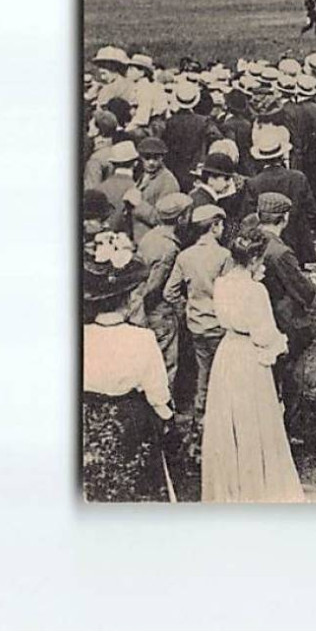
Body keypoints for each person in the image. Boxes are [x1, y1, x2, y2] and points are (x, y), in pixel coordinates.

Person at [200, 226, 304, 503]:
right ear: (256, 260)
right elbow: (264, 334)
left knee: (229, 418)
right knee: (252, 419)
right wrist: (281, 342)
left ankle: (231, 485)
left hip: (227, 351)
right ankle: (255, 486)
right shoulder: (255, 290)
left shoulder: (221, 283)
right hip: (248, 356)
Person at [82, 233, 173, 502]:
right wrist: (167, 417)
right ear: (128, 300)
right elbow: (158, 394)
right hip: (130, 423)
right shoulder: (141, 339)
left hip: (87, 420)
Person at [253, 193, 316, 441]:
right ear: (285, 218)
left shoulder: (250, 241)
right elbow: (305, 291)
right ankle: (289, 429)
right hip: (285, 322)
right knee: (291, 378)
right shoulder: (281, 252)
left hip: (260, 319)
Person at [163, 203, 233, 428]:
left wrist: (187, 308)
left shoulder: (185, 256)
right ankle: (221, 421)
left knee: (203, 372)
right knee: (223, 373)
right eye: (220, 224)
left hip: (196, 325)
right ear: (214, 226)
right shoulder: (224, 255)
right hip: (220, 325)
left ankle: (200, 419)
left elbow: (169, 292)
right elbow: (229, 292)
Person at [130, 192, 193, 388]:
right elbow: (153, 287)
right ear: (181, 218)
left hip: (143, 310)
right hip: (158, 315)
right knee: (165, 366)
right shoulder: (169, 248)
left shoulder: (152, 236)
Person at [245, 125, 316, 265]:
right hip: (300, 240)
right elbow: (311, 210)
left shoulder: (253, 183)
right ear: (282, 155)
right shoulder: (298, 178)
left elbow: (250, 217)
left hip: (268, 243)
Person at [122, 136, 181, 245]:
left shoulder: (168, 181)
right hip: (137, 239)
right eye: (147, 157)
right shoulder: (143, 175)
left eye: (156, 158)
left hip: (153, 243)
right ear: (140, 157)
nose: (151, 162)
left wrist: (139, 204)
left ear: (162, 157)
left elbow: (165, 220)